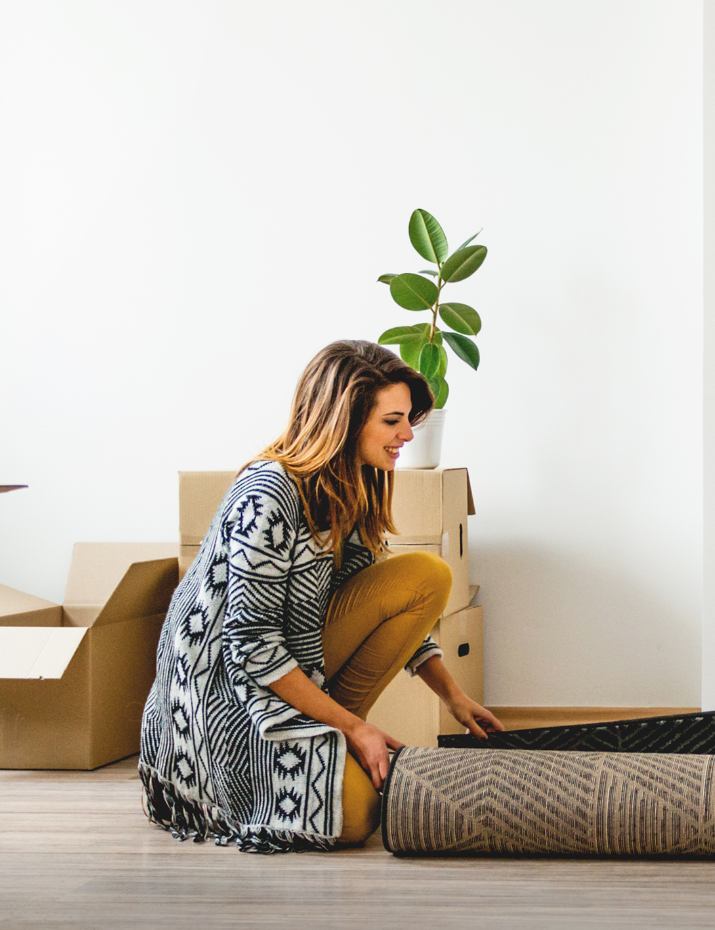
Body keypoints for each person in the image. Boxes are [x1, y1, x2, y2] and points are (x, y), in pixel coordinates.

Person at [139, 340, 505, 853]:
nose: (407, 434)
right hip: (224, 701)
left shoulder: (347, 485)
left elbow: (380, 598)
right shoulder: (267, 495)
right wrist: (359, 728)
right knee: (354, 819)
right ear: (346, 422)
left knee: (426, 575)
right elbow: (250, 645)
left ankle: (335, 740)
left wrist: (454, 696)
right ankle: (339, 742)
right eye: (393, 421)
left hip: (294, 664)